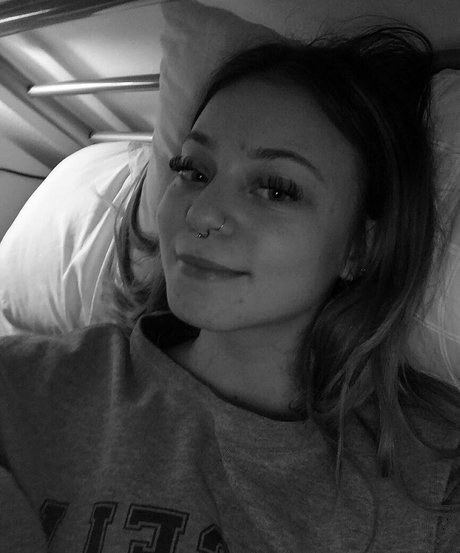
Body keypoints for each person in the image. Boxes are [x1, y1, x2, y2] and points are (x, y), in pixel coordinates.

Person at [0, 25, 459, 553]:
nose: (201, 213)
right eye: (193, 171)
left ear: (359, 245)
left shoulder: (434, 482)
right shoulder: (24, 390)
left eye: (276, 189)